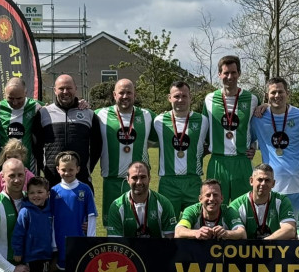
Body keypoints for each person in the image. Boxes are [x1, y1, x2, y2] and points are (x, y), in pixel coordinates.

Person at [249, 76, 299, 213]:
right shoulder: (258, 118)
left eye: (280, 92)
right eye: (273, 92)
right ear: (267, 96)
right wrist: (252, 147)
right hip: (272, 185)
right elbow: (248, 139)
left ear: (287, 93)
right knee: (277, 230)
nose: (277, 95)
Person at [203, 55, 258, 203]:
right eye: (226, 73)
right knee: (215, 207)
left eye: (233, 72)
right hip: (218, 161)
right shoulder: (209, 99)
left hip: (242, 161)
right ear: (219, 74)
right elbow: (204, 127)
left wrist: (253, 145)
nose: (230, 76)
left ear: (239, 73)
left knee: (244, 207)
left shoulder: (251, 99)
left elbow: (256, 126)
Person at [96, 79, 156, 212]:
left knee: (139, 222)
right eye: (121, 92)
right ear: (114, 95)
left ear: (135, 94)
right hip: (111, 181)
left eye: (129, 92)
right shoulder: (99, 115)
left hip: (138, 181)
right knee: (112, 225)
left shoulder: (148, 115)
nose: (125, 96)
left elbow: (158, 139)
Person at [154, 80, 209, 214]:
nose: (180, 99)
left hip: (193, 181)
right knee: (168, 226)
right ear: (169, 98)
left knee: (195, 225)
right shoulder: (158, 121)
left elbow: (215, 142)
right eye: (176, 96)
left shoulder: (203, 120)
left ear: (190, 97)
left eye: (184, 96)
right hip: (168, 181)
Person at [40, 74, 100, 190]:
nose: (65, 91)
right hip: (52, 180)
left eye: (69, 88)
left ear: (76, 89)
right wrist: (46, 168)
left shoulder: (88, 114)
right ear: (55, 90)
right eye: (61, 88)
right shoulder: (43, 113)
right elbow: (36, 145)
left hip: (81, 178)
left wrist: (85, 168)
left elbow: (97, 146)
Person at [11, 177, 58, 272]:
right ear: (27, 194)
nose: (36, 196)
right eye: (32, 193)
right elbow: (18, 233)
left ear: (47, 193)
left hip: (45, 254)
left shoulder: (50, 210)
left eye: (39, 192)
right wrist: (18, 251)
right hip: (29, 254)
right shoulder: (25, 211)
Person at [51, 151, 98, 272]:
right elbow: (50, 217)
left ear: (77, 169)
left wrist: (90, 238)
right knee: (61, 268)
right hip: (59, 238)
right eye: (64, 169)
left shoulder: (85, 189)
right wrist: (52, 243)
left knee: (79, 268)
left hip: (78, 237)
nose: (67, 173)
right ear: (57, 169)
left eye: (71, 169)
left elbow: (92, 215)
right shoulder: (53, 191)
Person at [105, 161, 177, 238]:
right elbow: (115, 242)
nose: (139, 182)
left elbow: (170, 240)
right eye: (135, 178)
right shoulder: (117, 207)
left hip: (157, 249)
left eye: (143, 177)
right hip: (128, 249)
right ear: (128, 180)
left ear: (149, 179)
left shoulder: (163, 203)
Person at [228, 163, 297, 240]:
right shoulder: (237, 205)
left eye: (267, 180)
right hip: (246, 250)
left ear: (273, 183)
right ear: (251, 181)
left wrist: (265, 242)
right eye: (260, 180)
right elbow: (235, 233)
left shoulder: (281, 201)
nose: (263, 184)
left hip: (275, 248)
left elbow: (290, 230)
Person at [0, 78, 43, 176]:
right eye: (10, 98)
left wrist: (78, 104)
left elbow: (57, 109)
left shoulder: (36, 106)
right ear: (5, 94)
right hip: (0, 169)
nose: (15, 102)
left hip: (27, 168)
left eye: (19, 98)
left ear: (25, 93)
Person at [175, 179, 246, 239]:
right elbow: (178, 232)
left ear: (222, 198)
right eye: (208, 195)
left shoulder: (229, 211)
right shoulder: (192, 211)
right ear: (200, 199)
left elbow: (242, 233)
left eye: (215, 195)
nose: (211, 199)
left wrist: (226, 233)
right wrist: (196, 232)